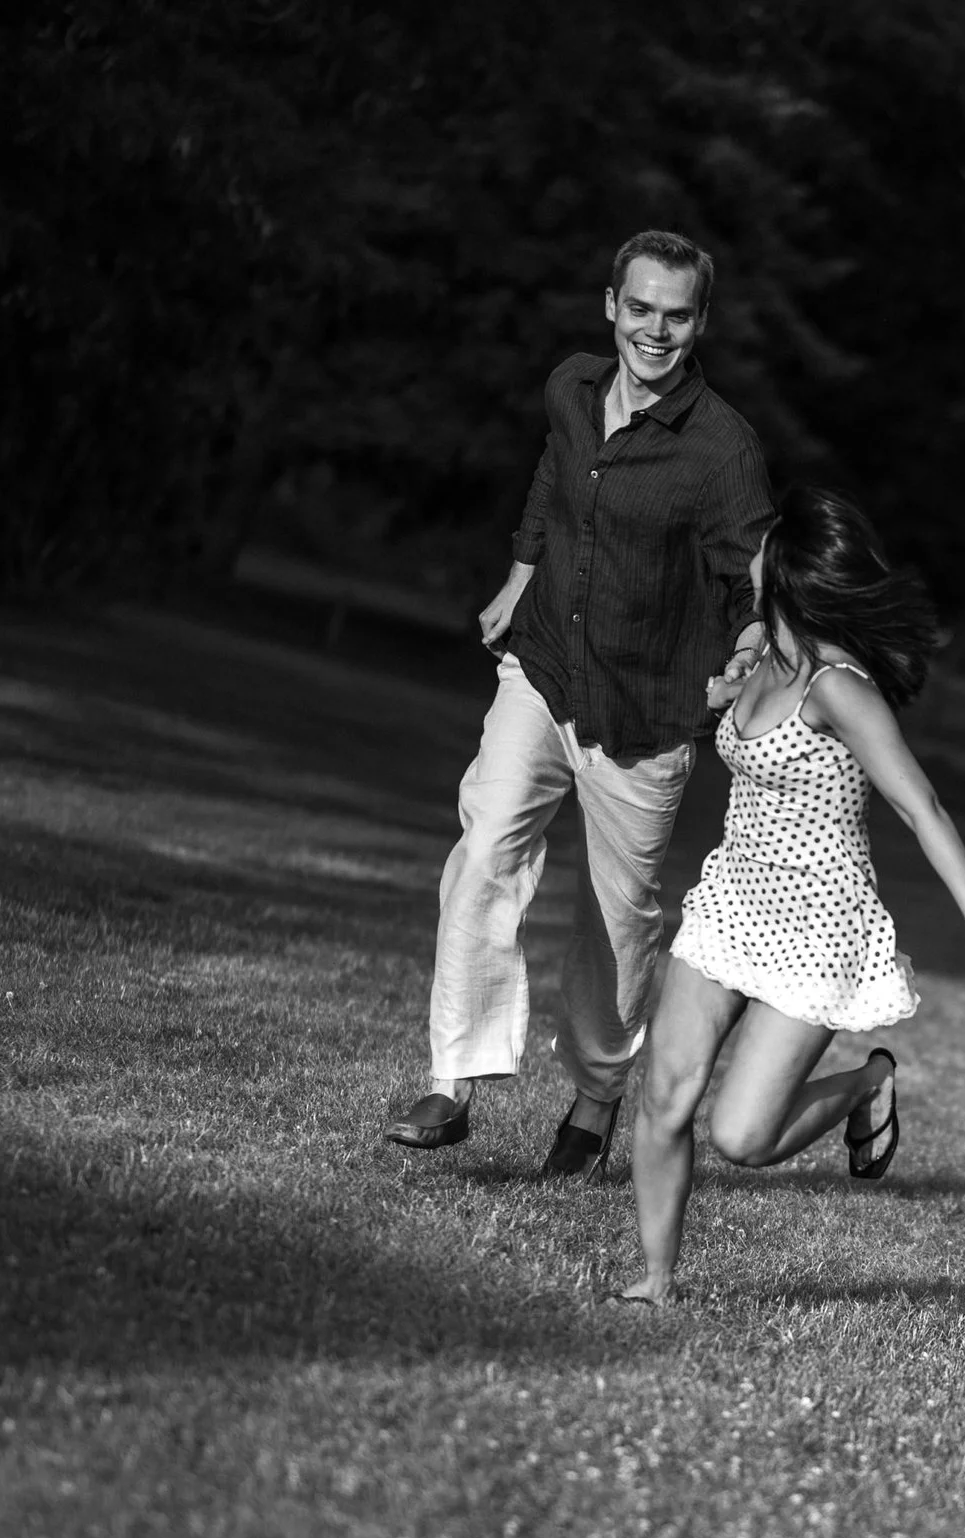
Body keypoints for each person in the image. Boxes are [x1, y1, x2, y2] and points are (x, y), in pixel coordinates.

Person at [385, 230, 773, 1174]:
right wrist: (520, 574)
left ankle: (598, 1095)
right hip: (545, 663)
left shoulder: (722, 449)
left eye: (676, 315)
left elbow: (756, 577)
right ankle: (454, 1078)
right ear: (611, 305)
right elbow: (556, 479)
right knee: (486, 843)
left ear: (700, 323)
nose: (655, 329)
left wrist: (752, 656)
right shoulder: (571, 387)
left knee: (621, 916)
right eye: (639, 308)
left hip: (647, 707)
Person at [615, 486, 965, 1306]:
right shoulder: (762, 649)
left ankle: (865, 1084)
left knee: (741, 1136)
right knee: (664, 1096)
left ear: (790, 570)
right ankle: (655, 1281)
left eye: (766, 543)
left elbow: (920, 805)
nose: (752, 551)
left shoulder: (840, 688)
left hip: (816, 930)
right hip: (733, 903)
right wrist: (722, 693)